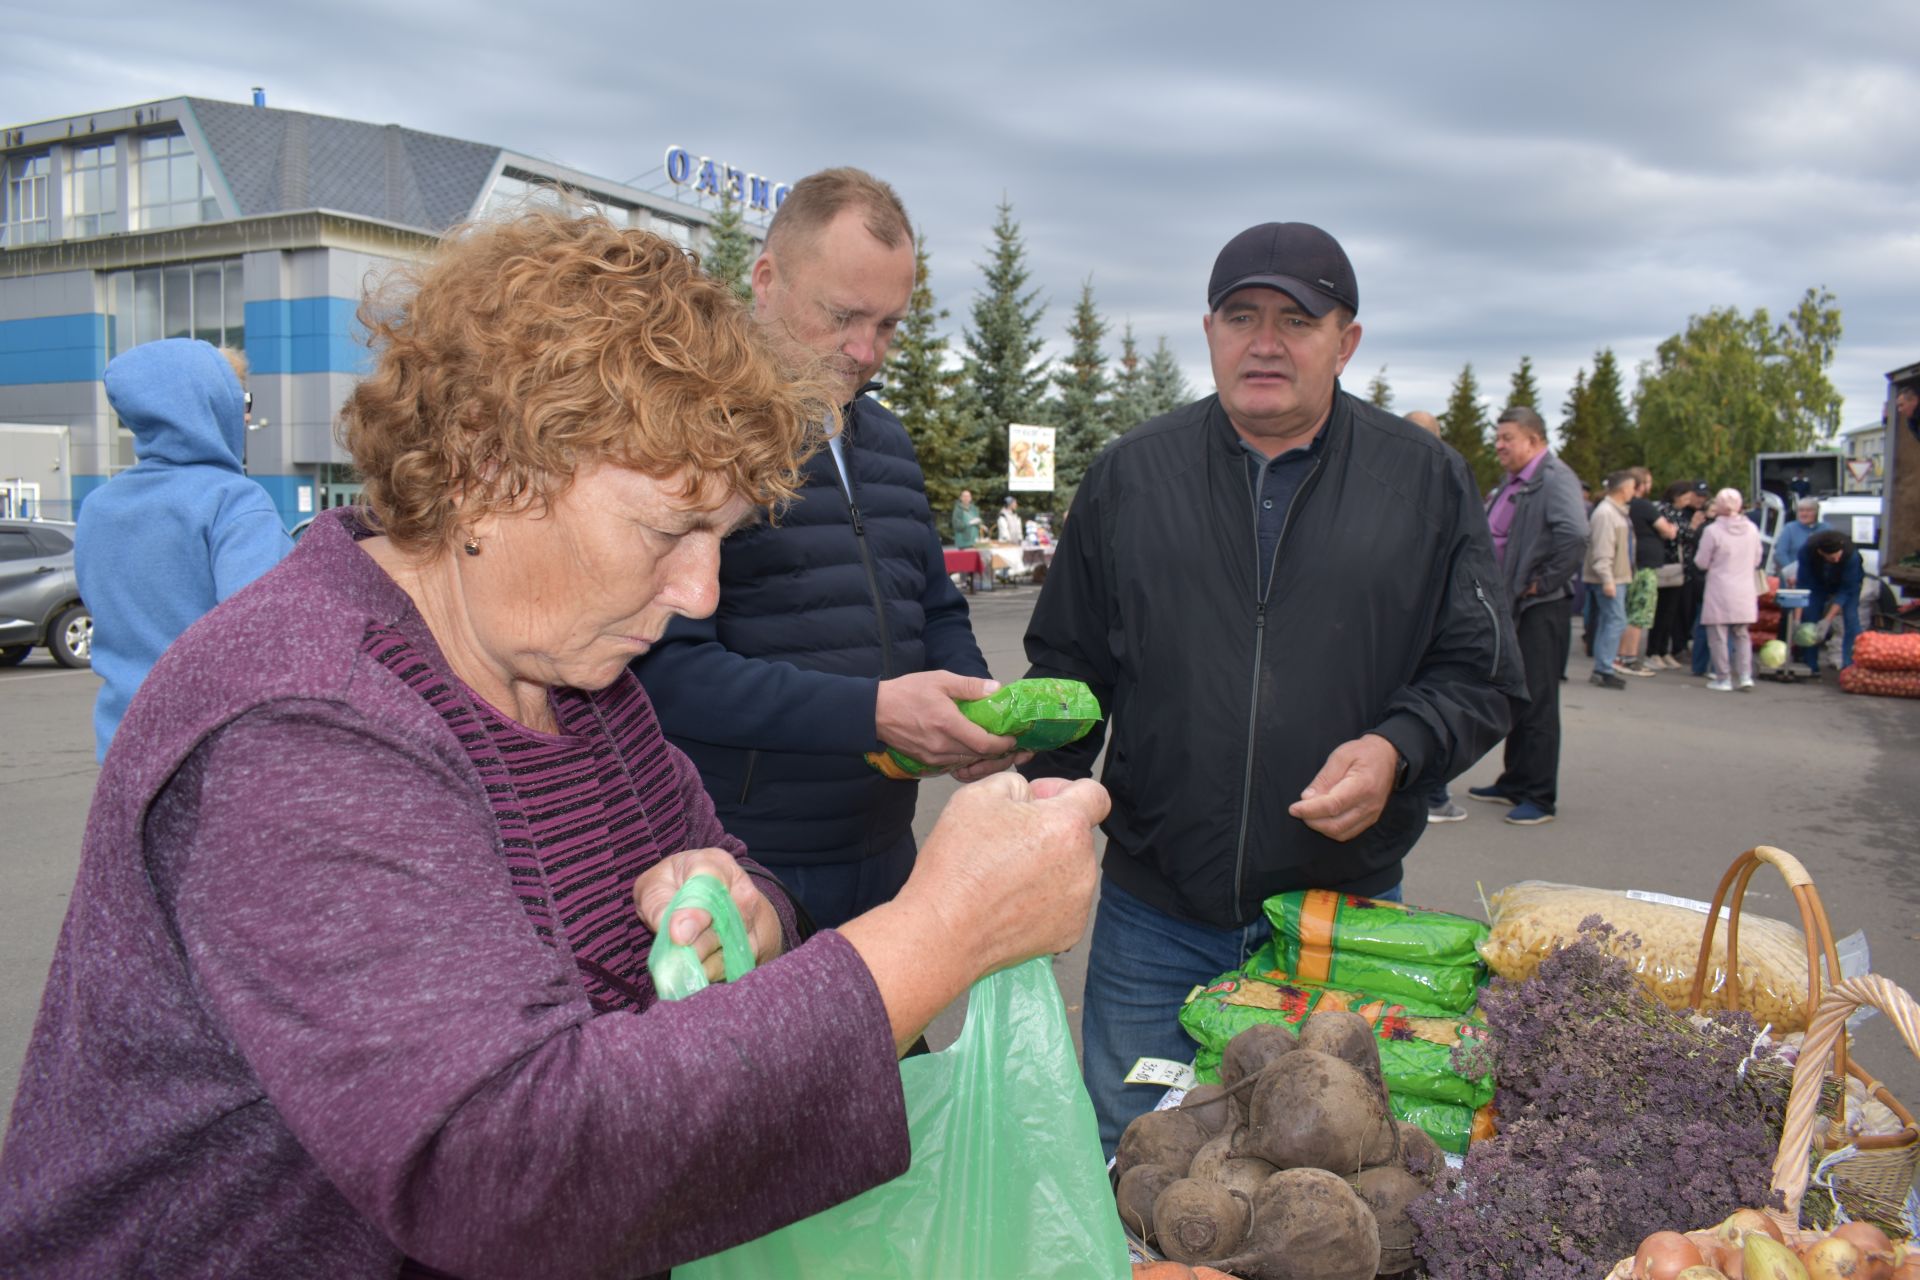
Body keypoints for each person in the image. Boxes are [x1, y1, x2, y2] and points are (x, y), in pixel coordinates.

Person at [0, 211, 1110, 1277]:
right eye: (668, 530)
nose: (697, 592)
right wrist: (939, 933)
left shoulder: (576, 674)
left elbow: (732, 867)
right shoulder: (300, 718)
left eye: (719, 539)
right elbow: (492, 1164)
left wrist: (749, 917)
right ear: (488, 465)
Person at [1019, 220, 1522, 1154]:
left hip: (1339, 922)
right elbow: (1068, 672)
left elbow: (1480, 673)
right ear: (1209, 331)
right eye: (1241, 315)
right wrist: (1036, 807)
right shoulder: (1132, 475)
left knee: (1321, 1177)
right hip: (1153, 916)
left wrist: (1396, 748)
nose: (1265, 341)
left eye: (1297, 319)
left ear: (1348, 340)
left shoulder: (1423, 483)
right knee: (1131, 1153)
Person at [633, 168, 1016, 931]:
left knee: (893, 1054)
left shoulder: (889, 440)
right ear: (766, 280)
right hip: (737, 863)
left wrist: (977, 710)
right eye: (843, 315)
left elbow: (933, 608)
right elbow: (662, 672)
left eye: (889, 325)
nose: (865, 349)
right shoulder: (690, 436)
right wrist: (871, 713)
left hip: (885, 847)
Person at [73, 339, 292, 762]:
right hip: (212, 748)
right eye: (239, 399)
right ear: (213, 405)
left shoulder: (100, 506)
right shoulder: (234, 501)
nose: (246, 415)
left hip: (122, 741)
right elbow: (262, 633)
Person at [1463, 406, 1586, 826]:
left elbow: (1574, 534)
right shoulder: (1518, 481)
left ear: (1533, 440)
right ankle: (1515, 781)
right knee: (1518, 695)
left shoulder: (1554, 478)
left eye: (1507, 438)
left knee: (1538, 701)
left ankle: (1539, 795)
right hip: (1515, 606)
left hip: (1539, 608)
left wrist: (1543, 581)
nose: (1499, 445)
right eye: (1497, 437)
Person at [1404, 409, 1466, 824]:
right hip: (1414, 618)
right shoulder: (1447, 481)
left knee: (1425, 704)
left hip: (1425, 617)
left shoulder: (1440, 484)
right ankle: (1435, 797)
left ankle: (1435, 796)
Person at [1693, 486, 1763, 691]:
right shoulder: (1751, 529)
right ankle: (1745, 676)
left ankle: (1723, 677)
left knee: (1718, 635)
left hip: (1719, 587)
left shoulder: (1712, 531)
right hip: (1744, 587)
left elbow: (1701, 562)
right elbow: (1757, 558)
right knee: (1742, 634)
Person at [1617, 466, 1676, 677]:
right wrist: (1672, 529)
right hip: (1645, 567)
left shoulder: (1623, 506)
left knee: (1628, 612)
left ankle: (1621, 656)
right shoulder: (1644, 506)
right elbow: (1667, 530)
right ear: (1640, 485)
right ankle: (1629, 658)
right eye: (1648, 482)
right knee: (1639, 614)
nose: (1650, 487)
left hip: (1630, 565)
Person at [1648, 479, 1710, 668]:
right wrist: (1692, 526)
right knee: (1662, 610)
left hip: (1681, 567)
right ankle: (1653, 651)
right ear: (1677, 495)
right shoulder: (1665, 511)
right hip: (1667, 565)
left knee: (1671, 612)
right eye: (1687, 495)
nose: (1689, 499)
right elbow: (1677, 535)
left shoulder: (1680, 513)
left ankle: (1664, 650)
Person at [1585, 470, 1637, 689]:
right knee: (1615, 621)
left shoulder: (1615, 512)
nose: (1634, 492)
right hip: (1611, 577)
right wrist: (1607, 579)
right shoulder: (1607, 514)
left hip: (1616, 576)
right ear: (1624, 488)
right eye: (1633, 487)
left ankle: (1603, 667)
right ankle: (1603, 668)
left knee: (1611, 621)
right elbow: (1602, 549)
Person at [1797, 528, 1865, 673]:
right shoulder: (1806, 552)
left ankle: (1850, 666)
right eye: (1832, 558)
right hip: (1817, 582)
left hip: (1847, 585)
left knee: (1851, 620)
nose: (1837, 560)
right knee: (1810, 618)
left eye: (1838, 556)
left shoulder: (1851, 556)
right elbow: (1802, 586)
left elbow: (1846, 591)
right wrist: (1797, 619)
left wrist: (1827, 620)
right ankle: (1811, 665)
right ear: (1821, 553)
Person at [1770, 496, 1828, 586]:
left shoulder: (1826, 529)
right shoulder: (1789, 528)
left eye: (1808, 511)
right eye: (1801, 510)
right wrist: (1792, 573)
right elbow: (1780, 553)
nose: (1804, 514)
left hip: (1819, 580)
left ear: (1816, 512)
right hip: (1793, 580)